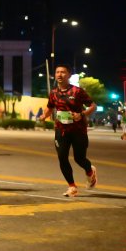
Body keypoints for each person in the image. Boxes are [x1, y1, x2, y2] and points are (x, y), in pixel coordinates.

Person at [39, 64, 97, 197]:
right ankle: (72, 186)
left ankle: (90, 171)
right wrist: (44, 116)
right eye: (57, 72)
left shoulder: (77, 91)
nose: (60, 74)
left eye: (63, 72)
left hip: (78, 130)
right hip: (61, 130)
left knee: (79, 158)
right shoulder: (53, 93)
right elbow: (50, 107)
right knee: (62, 157)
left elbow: (93, 106)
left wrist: (81, 114)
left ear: (69, 74)